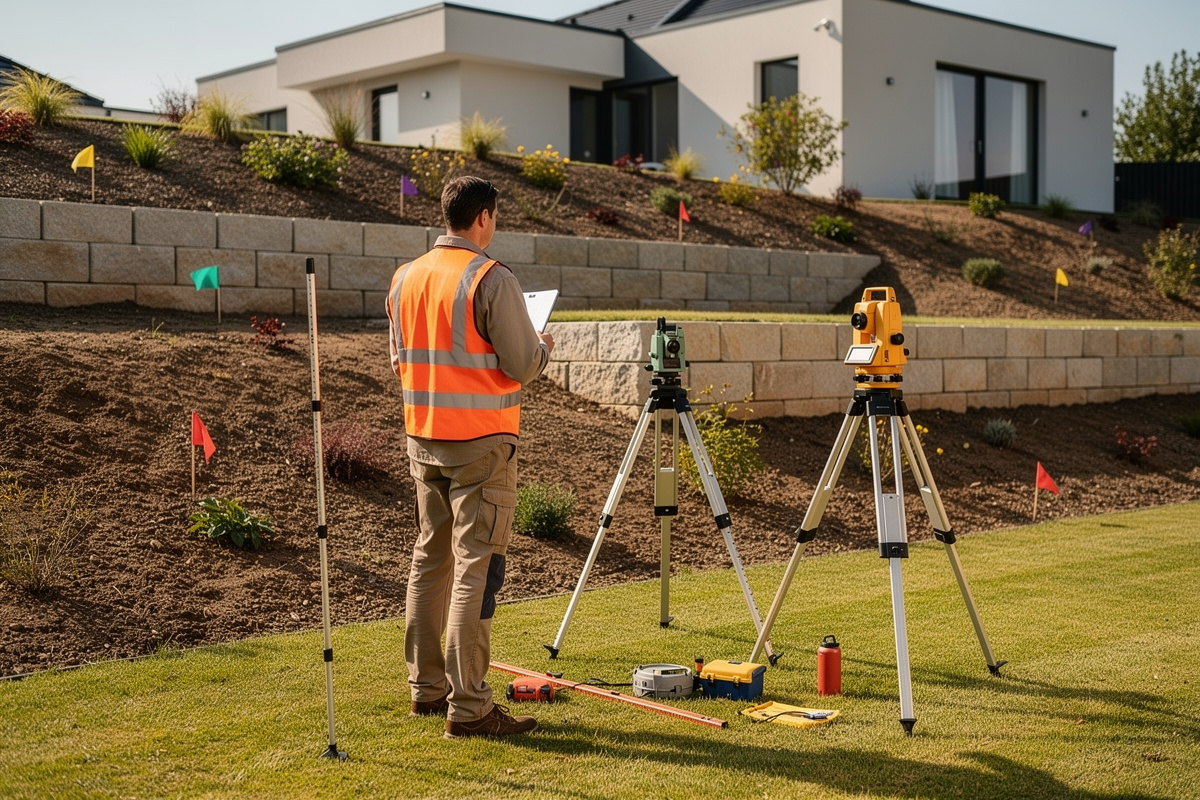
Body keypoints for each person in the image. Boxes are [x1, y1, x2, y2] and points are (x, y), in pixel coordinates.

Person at [386, 176, 554, 739]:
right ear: (483, 218)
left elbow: (401, 360)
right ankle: (471, 707)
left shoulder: (405, 278)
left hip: (423, 440)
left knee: (430, 560)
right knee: (474, 569)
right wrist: (543, 347)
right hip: (481, 444)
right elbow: (524, 364)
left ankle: (426, 689)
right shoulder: (491, 277)